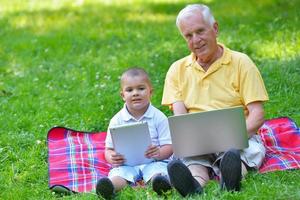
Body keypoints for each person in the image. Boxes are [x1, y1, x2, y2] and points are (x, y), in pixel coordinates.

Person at [161, 4, 269, 197]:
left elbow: (257, 114)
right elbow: (181, 119)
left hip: (238, 136)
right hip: (198, 139)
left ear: (215, 29)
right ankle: (194, 185)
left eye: (200, 31)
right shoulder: (176, 70)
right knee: (192, 160)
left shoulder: (241, 62)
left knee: (238, 155)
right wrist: (191, 141)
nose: (196, 40)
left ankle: (231, 179)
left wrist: (234, 138)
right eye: (188, 35)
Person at [96, 67, 173, 199]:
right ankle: (109, 187)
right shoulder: (117, 120)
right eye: (129, 90)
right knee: (119, 174)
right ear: (123, 95)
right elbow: (108, 149)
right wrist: (112, 157)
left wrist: (160, 153)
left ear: (150, 92)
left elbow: (170, 146)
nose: (135, 93)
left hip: (154, 161)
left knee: (158, 172)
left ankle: (159, 184)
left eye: (141, 88)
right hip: (126, 163)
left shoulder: (159, 118)